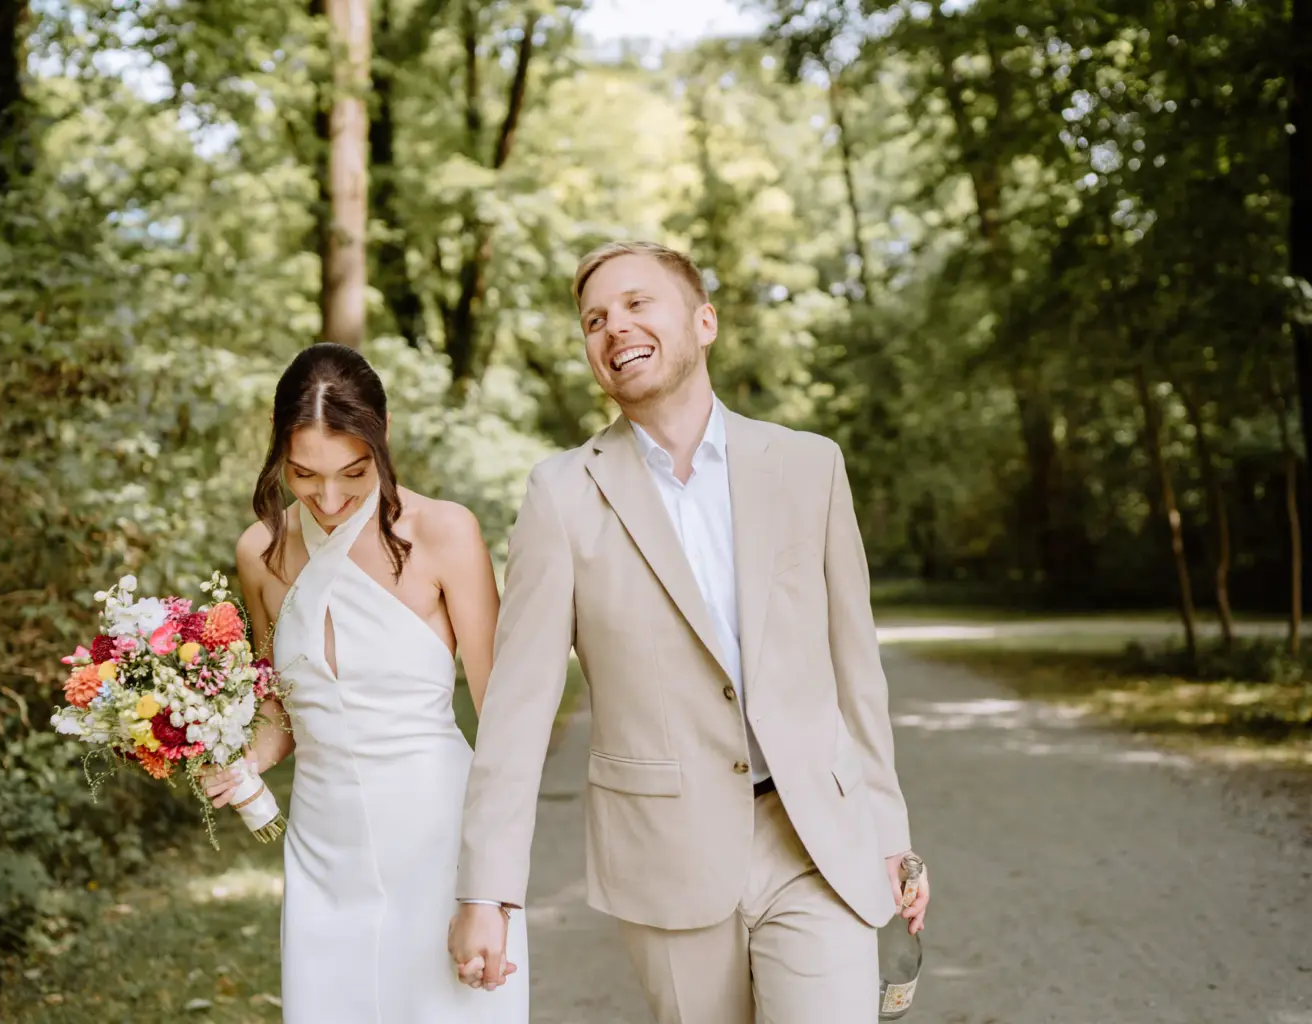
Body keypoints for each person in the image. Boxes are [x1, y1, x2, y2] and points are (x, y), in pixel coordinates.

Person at [447, 241, 929, 1022]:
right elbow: (518, 707)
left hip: (816, 839)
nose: (614, 327)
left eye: (638, 304)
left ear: (705, 323)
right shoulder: (561, 495)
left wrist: (890, 835)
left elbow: (856, 669)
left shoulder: (809, 466)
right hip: (665, 855)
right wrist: (486, 891)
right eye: (595, 319)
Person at [203, 342, 528, 1024]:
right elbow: (280, 709)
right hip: (323, 851)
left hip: (439, 841)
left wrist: (490, 892)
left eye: (352, 472)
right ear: (278, 451)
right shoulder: (259, 552)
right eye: (303, 474)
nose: (327, 499)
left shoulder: (443, 532)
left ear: (382, 439)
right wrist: (240, 761)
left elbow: (506, 724)